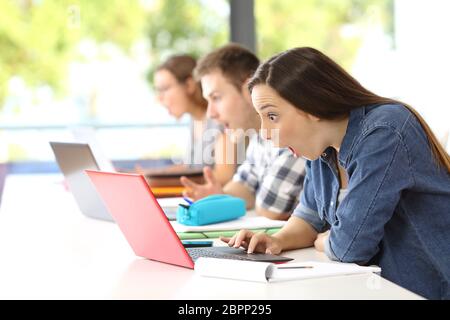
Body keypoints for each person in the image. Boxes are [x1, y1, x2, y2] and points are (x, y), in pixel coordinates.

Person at [222, 47, 450, 299]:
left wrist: (327, 240)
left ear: (312, 107)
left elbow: (349, 247)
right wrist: (277, 240)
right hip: (375, 288)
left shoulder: (385, 131)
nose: (264, 132)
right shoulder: (319, 146)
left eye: (272, 116)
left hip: (426, 290)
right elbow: (308, 219)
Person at [180, 44, 306, 221]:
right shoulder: (259, 137)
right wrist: (220, 195)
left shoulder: (289, 133)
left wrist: (231, 199)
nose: (210, 113)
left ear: (249, 90)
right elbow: (244, 186)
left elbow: (271, 209)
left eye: (216, 98)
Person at [153, 54, 236, 185]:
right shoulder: (194, 121)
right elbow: (190, 168)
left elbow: (223, 176)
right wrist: (150, 176)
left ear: (189, 85)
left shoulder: (219, 120)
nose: (159, 98)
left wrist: (168, 181)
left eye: (164, 89)